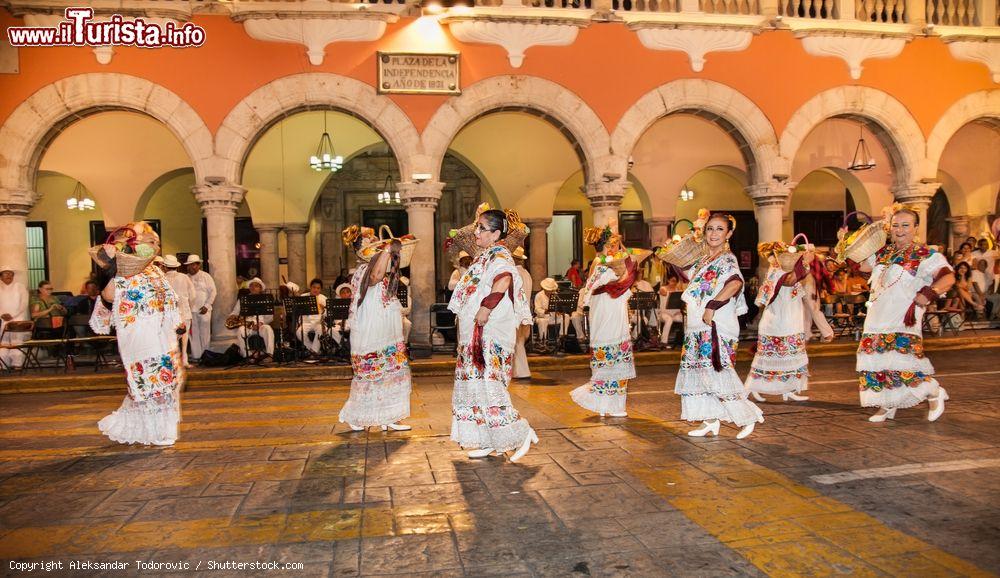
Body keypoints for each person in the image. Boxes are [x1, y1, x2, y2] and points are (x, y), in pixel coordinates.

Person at [449, 209, 536, 462]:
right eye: (476, 227)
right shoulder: (483, 256)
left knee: (489, 385)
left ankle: (521, 432)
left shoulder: (499, 255)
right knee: (477, 387)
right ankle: (489, 440)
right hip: (476, 332)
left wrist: (486, 308)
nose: (476, 232)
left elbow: (503, 279)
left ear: (496, 233)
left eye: (481, 228)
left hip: (488, 333)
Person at [855, 206, 955, 422]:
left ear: (916, 228)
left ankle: (934, 392)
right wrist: (848, 246)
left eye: (905, 225)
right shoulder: (883, 252)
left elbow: (948, 278)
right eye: (896, 225)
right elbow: (862, 266)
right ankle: (887, 405)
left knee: (903, 364)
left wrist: (929, 293)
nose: (899, 230)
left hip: (903, 319)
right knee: (877, 362)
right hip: (876, 317)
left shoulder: (926, 255)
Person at [90, 222, 183, 446]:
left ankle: (159, 430)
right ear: (136, 243)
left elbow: (167, 301)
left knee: (165, 382)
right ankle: (153, 431)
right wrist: (113, 266)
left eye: (158, 243)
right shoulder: (124, 267)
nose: (157, 246)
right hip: (138, 333)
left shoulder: (154, 269)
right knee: (147, 380)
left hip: (160, 334)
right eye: (152, 241)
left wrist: (174, 324)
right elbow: (109, 297)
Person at [675, 212, 763, 439]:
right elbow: (690, 280)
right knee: (700, 373)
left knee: (717, 372)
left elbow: (734, 283)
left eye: (719, 229)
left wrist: (712, 306)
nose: (714, 233)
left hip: (715, 325)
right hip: (697, 326)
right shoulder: (705, 260)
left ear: (729, 234)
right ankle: (710, 420)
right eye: (710, 229)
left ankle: (747, 417)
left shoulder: (727, 259)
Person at [338, 232, 413, 432]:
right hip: (370, 330)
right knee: (370, 374)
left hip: (385, 328)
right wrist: (388, 249)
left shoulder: (381, 269)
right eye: (371, 243)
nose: (376, 245)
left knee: (390, 371)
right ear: (362, 250)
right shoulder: (363, 269)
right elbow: (375, 277)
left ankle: (388, 416)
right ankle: (356, 416)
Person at [570, 226, 636, 418]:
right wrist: (624, 274)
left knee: (617, 352)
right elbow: (600, 285)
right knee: (607, 349)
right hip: (604, 308)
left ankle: (616, 404)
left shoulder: (610, 261)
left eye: (616, 245)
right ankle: (602, 401)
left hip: (614, 308)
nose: (615, 248)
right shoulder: (599, 262)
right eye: (612, 244)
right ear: (604, 245)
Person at [747, 245, 812, 403]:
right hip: (777, 322)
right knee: (767, 359)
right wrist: (805, 264)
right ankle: (752, 387)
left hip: (790, 320)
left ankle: (788, 389)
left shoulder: (783, 270)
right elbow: (789, 281)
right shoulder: (776, 271)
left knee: (789, 357)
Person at [230, 278, 275, 358]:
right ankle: (247, 355)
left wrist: (261, 323)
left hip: (260, 325)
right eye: (251, 286)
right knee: (240, 331)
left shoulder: (266, 299)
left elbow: (270, 317)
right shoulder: (243, 299)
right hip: (247, 325)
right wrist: (233, 316)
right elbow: (235, 312)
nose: (253, 287)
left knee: (268, 329)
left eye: (256, 286)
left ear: (260, 288)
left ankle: (269, 354)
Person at [186, 255, 216, 361]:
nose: (191, 267)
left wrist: (207, 305)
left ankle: (206, 355)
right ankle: (196, 356)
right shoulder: (186, 277)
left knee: (205, 333)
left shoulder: (206, 276)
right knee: (194, 334)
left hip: (204, 309)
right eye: (189, 265)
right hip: (191, 310)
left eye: (193, 265)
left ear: (198, 265)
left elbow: (213, 292)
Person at [0, 266, 29, 368]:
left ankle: (17, 365)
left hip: (18, 319)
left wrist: (12, 316)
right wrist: (2, 314)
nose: (8, 275)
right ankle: (3, 365)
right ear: (1, 276)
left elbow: (24, 303)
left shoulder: (19, 286)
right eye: (5, 273)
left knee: (16, 343)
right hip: (2, 320)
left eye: (11, 273)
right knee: (3, 343)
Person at [512, 247, 532, 379]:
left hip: (516, 311)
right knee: (519, 342)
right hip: (525, 312)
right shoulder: (527, 274)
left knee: (517, 343)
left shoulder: (515, 274)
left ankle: (521, 371)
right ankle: (518, 371)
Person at [300, 278, 328, 355]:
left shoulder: (324, 298)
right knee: (299, 332)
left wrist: (324, 310)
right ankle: (313, 349)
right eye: (314, 287)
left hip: (318, 323)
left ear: (321, 289)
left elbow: (328, 314)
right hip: (306, 322)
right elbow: (298, 310)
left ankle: (314, 351)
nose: (316, 290)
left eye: (318, 288)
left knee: (321, 329)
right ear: (310, 287)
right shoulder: (303, 297)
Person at [656, 279, 683, 348]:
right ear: (668, 280)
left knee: (685, 319)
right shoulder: (663, 288)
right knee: (669, 319)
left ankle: (685, 340)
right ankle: (663, 342)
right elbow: (664, 293)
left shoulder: (677, 290)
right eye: (672, 281)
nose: (673, 283)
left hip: (675, 314)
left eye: (675, 281)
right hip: (664, 314)